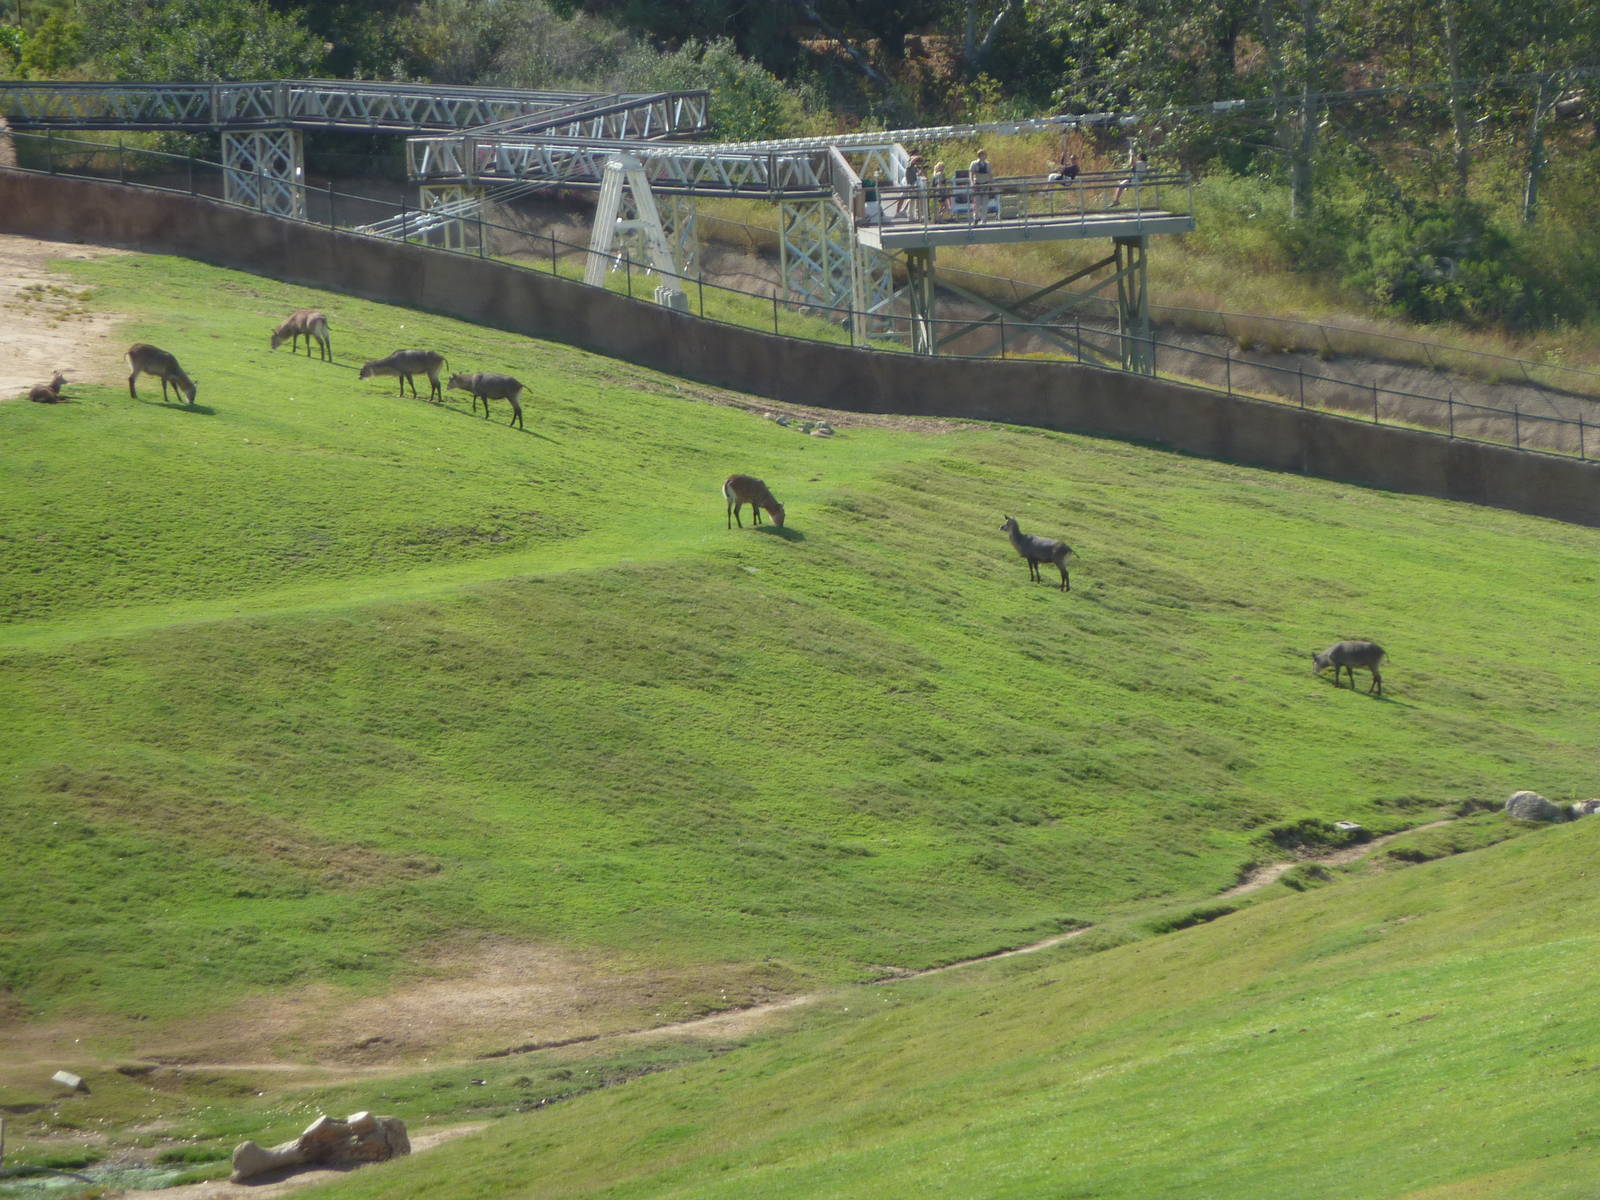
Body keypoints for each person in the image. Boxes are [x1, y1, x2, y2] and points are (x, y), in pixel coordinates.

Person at [967, 148, 993, 220]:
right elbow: (971, 174)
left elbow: (990, 175)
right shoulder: (974, 164)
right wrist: (972, 183)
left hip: (985, 184)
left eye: (984, 155)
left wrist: (991, 184)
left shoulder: (988, 164)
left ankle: (984, 218)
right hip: (977, 184)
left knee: (985, 203)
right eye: (982, 155)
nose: (984, 156)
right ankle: (976, 217)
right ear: (979, 156)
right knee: (976, 203)